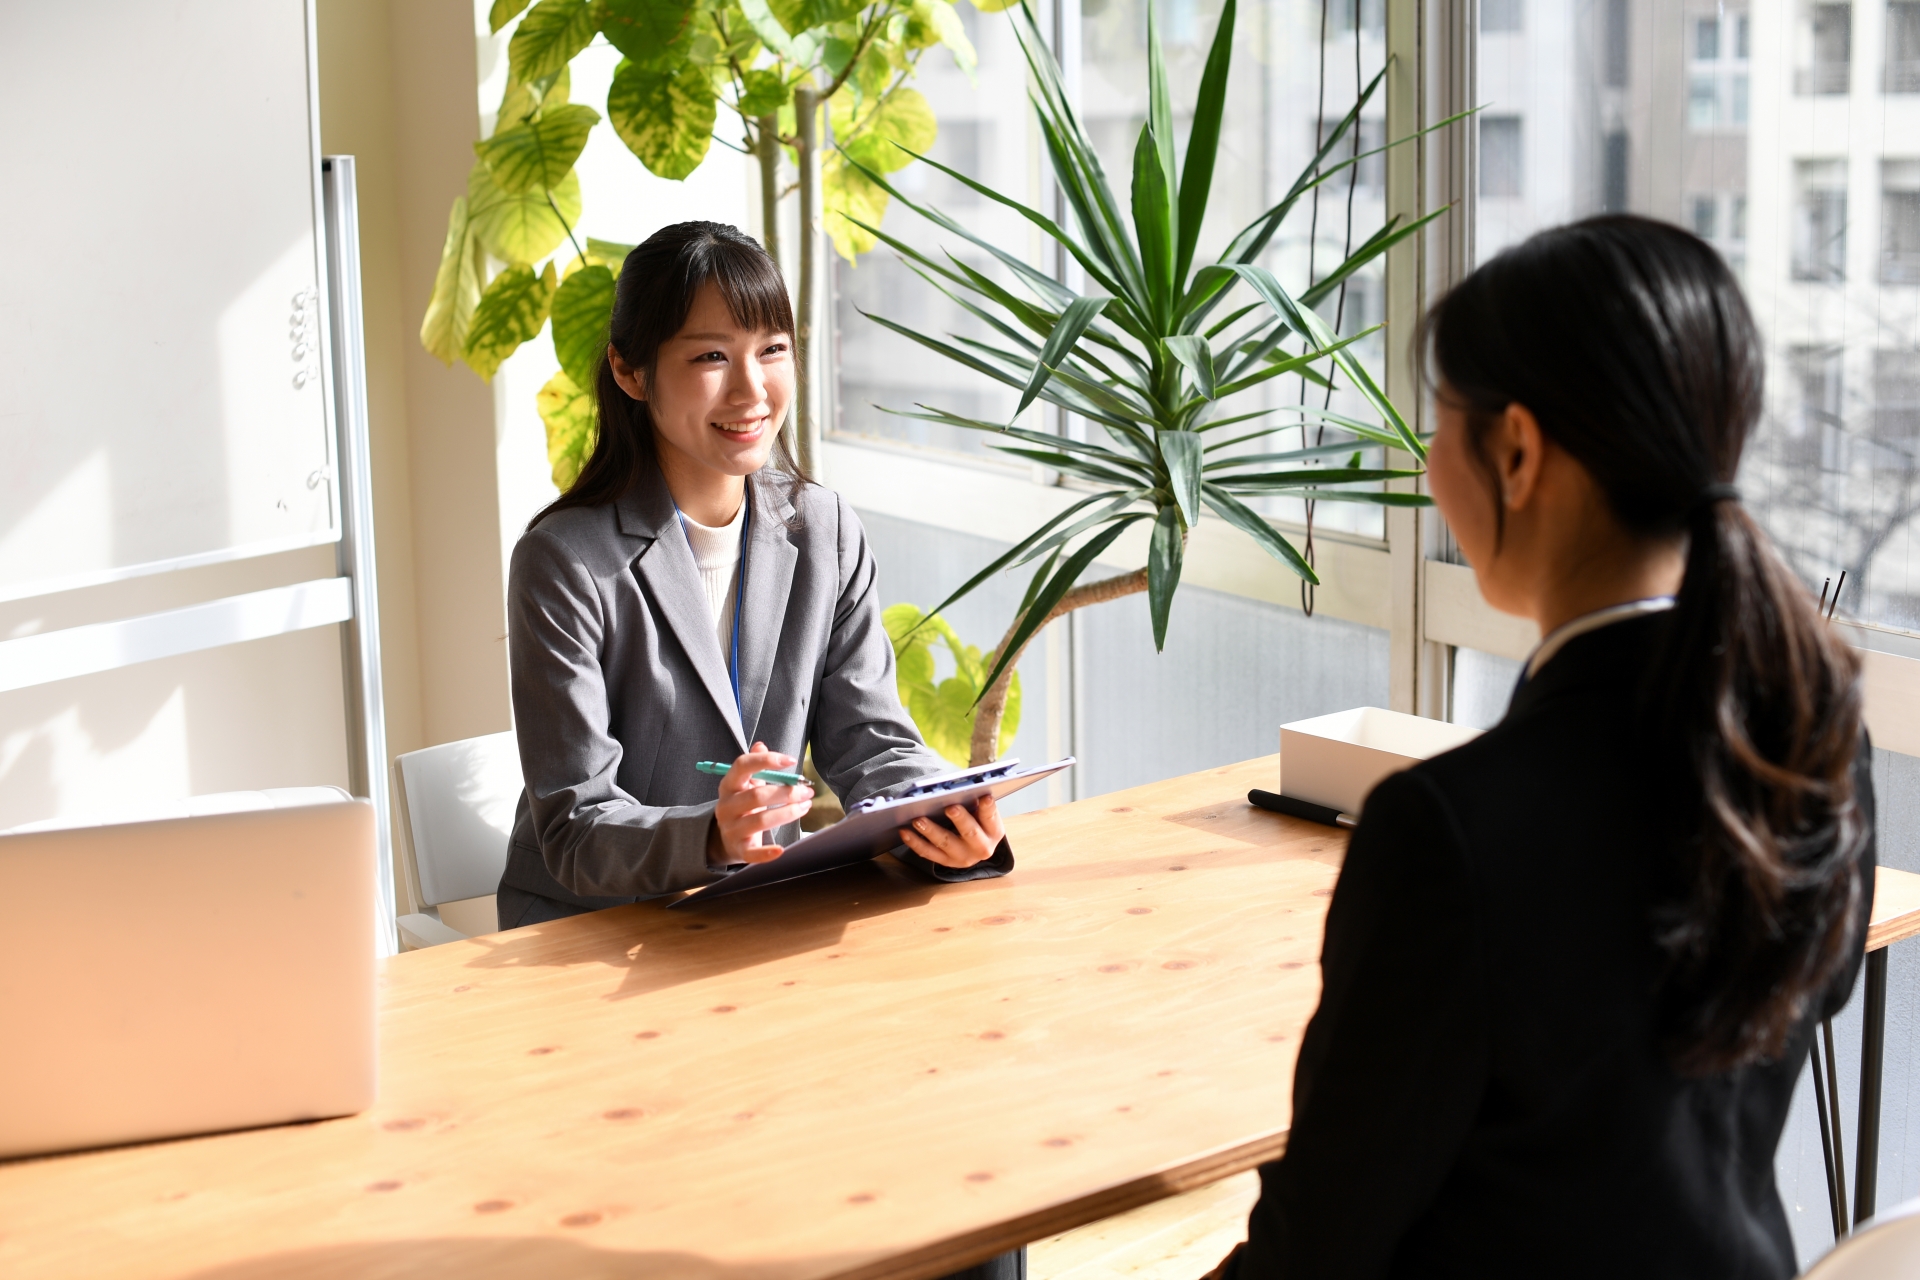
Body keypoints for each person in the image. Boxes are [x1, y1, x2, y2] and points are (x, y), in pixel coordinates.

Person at [1213, 215, 1875, 1278]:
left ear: (1517, 451)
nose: (1429, 470)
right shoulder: (1809, 750)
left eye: (1437, 426)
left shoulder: (1452, 831)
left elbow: (1316, 1249)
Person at [494, 221, 1012, 931]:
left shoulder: (824, 531)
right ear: (629, 370)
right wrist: (711, 834)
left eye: (772, 350)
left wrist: (946, 817)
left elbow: (872, 743)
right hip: (594, 933)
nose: (752, 388)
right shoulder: (564, 561)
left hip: (757, 913)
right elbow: (575, 827)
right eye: (711, 355)